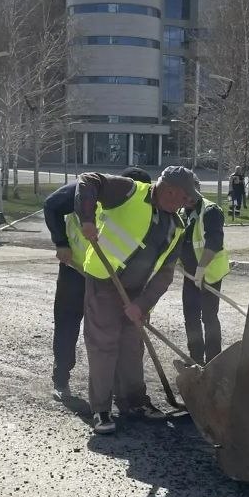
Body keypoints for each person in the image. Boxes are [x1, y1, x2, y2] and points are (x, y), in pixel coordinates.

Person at [76, 165, 200, 434]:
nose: (184, 204)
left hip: (137, 293)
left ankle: (133, 403)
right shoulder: (129, 191)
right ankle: (101, 409)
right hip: (103, 281)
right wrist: (86, 219)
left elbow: (165, 274)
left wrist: (141, 305)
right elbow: (88, 180)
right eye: (183, 198)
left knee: (133, 348)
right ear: (170, 190)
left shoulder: (176, 226)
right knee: (104, 346)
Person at [43, 166, 151, 402]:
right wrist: (61, 243)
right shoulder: (88, 193)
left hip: (109, 281)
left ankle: (115, 386)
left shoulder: (143, 209)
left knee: (112, 331)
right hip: (76, 270)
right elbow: (51, 205)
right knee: (68, 322)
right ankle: (61, 378)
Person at [180, 182, 230, 365]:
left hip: (209, 275)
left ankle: (214, 359)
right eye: (183, 195)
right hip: (189, 275)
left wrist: (200, 270)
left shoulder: (210, 211)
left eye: (189, 194)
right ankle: (195, 358)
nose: (186, 199)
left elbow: (214, 242)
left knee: (209, 317)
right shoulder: (181, 213)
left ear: (197, 189)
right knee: (190, 317)